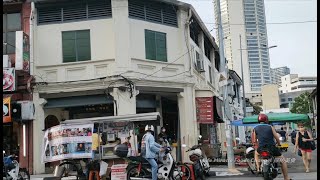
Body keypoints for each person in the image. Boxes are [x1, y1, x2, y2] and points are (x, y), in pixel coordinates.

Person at [252, 114, 290, 180]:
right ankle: (286, 178)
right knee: (283, 161)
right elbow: (277, 137)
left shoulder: (255, 128)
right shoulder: (270, 127)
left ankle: (258, 168)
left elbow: (254, 140)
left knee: (256, 154)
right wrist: (279, 144)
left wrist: (256, 145)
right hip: (271, 148)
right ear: (266, 120)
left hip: (261, 148)